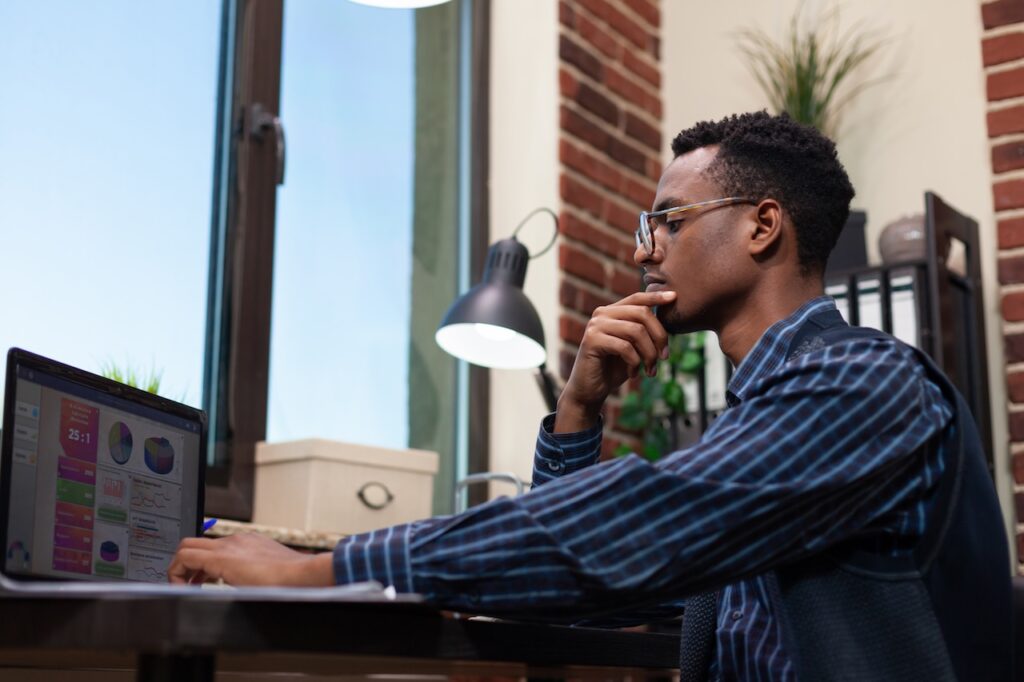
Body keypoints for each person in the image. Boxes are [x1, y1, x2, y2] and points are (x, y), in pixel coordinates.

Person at [169, 112, 1011, 681]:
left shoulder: (865, 383)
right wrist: (577, 412)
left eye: (668, 222)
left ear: (762, 226)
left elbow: (642, 523)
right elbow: (601, 575)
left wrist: (324, 570)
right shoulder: (766, 418)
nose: (645, 253)